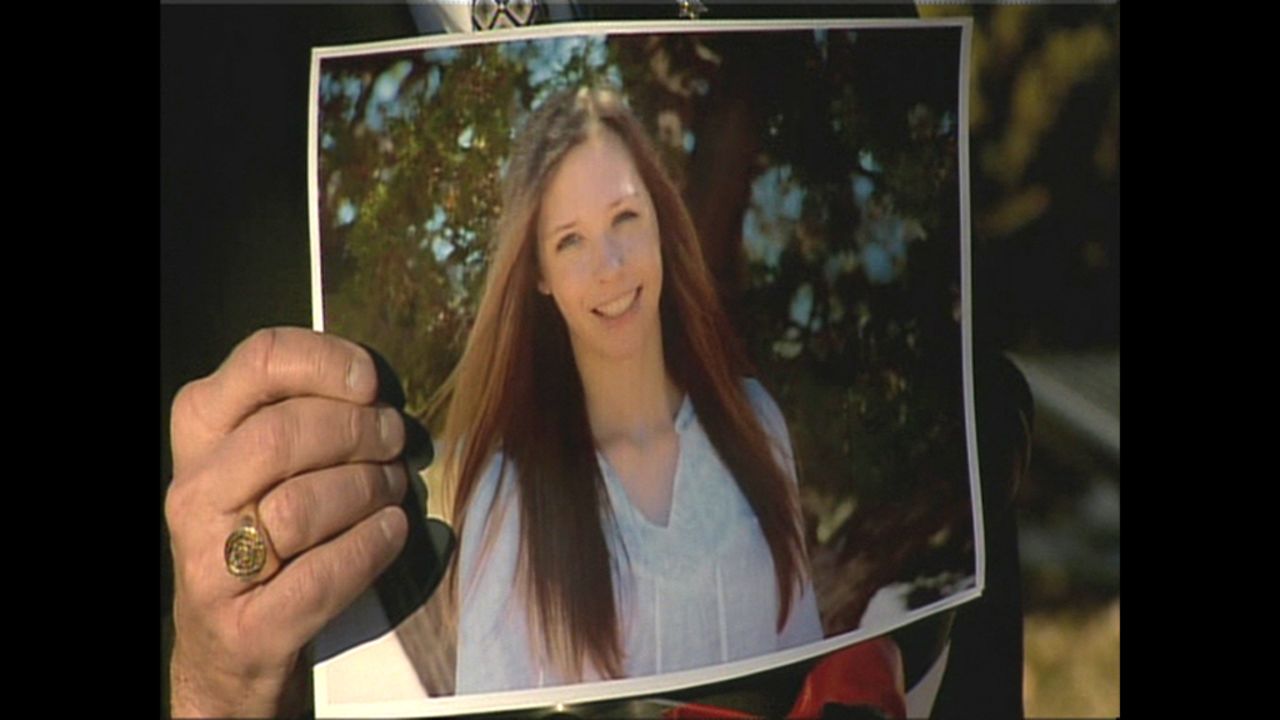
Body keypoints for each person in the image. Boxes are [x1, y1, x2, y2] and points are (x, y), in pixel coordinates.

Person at [433, 85, 823, 692]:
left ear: (660, 224)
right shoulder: (509, 496)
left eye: (625, 219)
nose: (609, 265)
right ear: (539, 273)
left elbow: (811, 674)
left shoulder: (756, 423)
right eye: (571, 241)